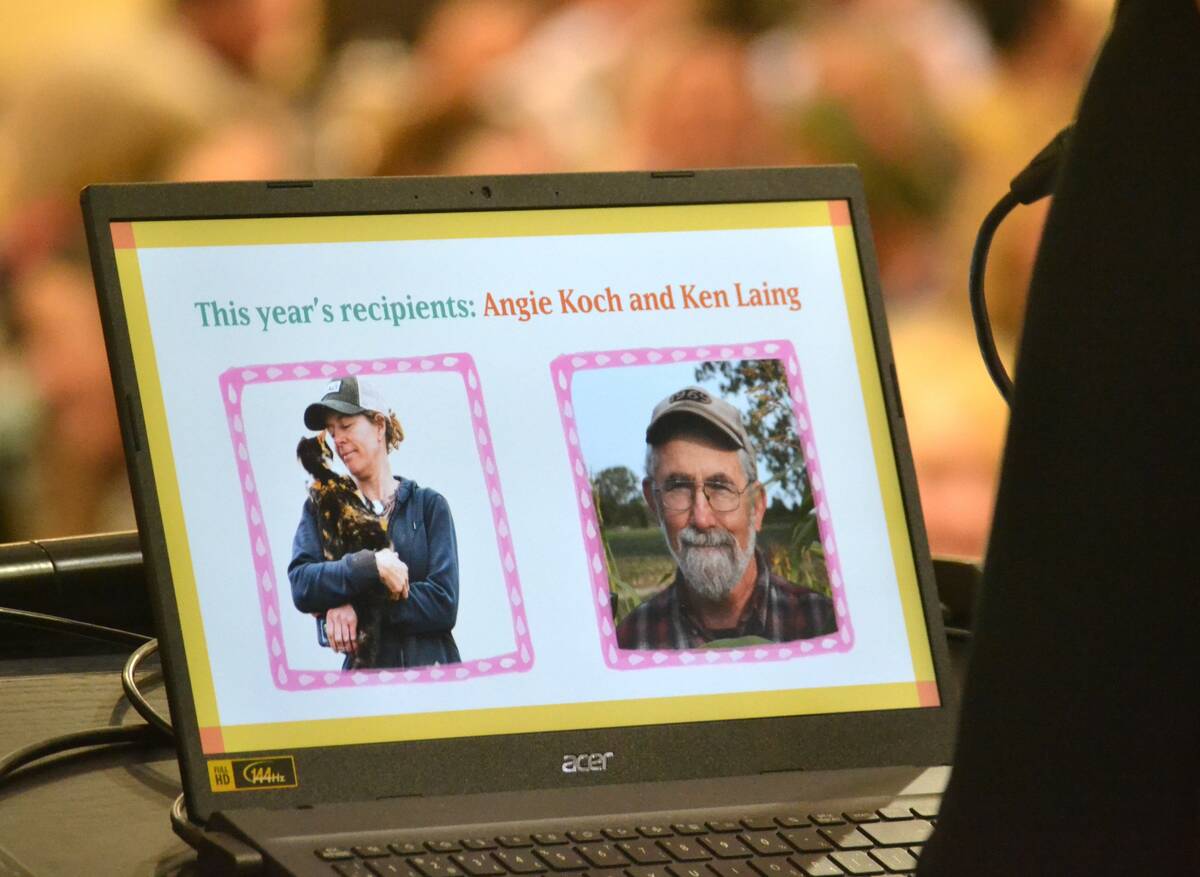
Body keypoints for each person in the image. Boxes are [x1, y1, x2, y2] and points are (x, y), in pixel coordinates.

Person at [615, 386, 837, 650]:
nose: (702, 519)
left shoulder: (823, 625)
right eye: (678, 487)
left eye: (720, 487)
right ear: (654, 504)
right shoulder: (629, 642)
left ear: (756, 507)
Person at [287, 376, 460, 669]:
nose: (337, 440)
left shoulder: (429, 506)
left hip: (433, 684)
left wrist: (357, 608)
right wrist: (368, 566)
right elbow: (302, 584)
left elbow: (443, 603)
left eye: (346, 425)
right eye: (331, 431)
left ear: (379, 425)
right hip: (364, 688)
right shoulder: (321, 509)